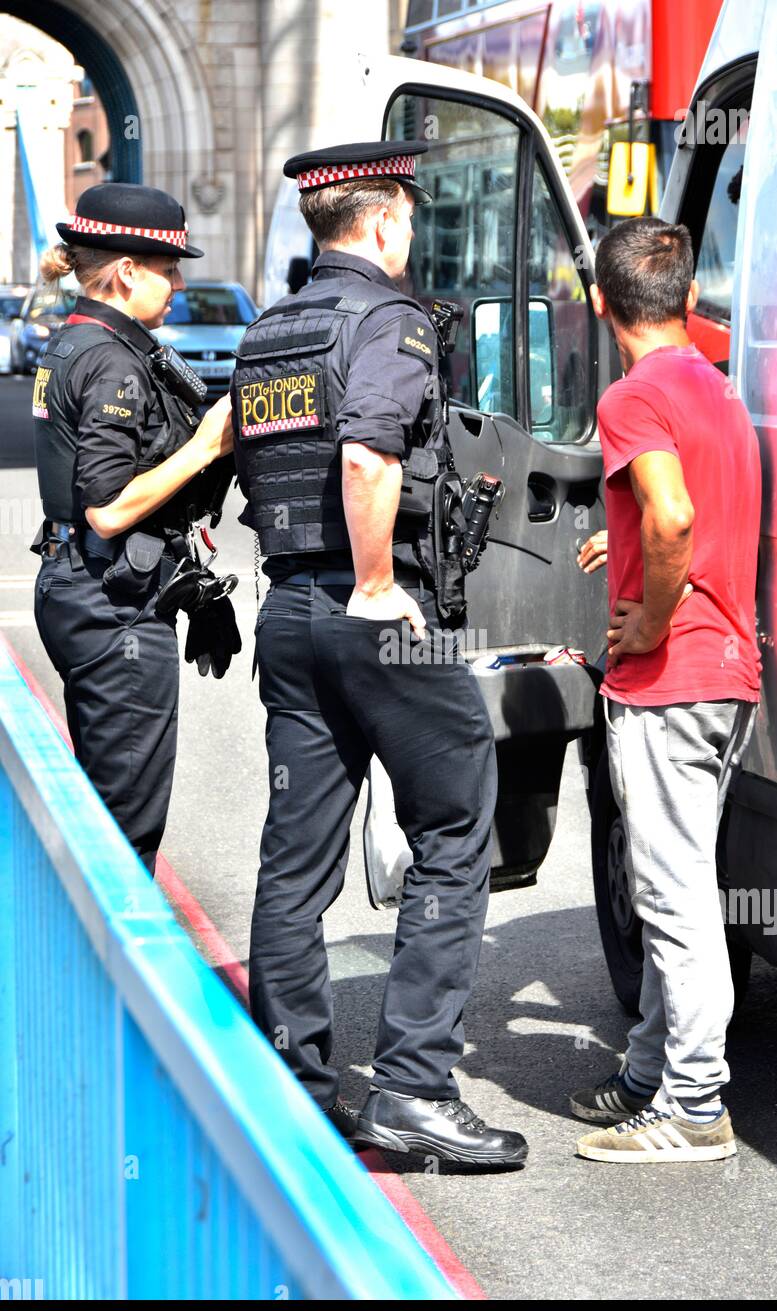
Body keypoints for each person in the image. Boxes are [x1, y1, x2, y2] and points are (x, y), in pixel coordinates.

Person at [232, 141, 527, 1165]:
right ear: (385, 222)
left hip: (287, 614)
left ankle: (288, 1086)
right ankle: (411, 1088)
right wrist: (372, 584)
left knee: (294, 858)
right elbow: (365, 449)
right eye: (408, 217)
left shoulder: (270, 329)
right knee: (452, 826)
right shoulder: (389, 317)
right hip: (370, 619)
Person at [570, 216, 761, 1162]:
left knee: (674, 896)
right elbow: (693, 512)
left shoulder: (633, 397)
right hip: (726, 670)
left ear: (602, 305)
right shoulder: (715, 386)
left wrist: (644, 621)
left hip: (672, 673)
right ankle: (652, 1070)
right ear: (688, 300)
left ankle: (693, 1107)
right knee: (676, 882)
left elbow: (676, 513)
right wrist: (636, 546)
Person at [32, 183, 238, 876]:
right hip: (111, 603)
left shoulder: (78, 341)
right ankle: (116, 976)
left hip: (83, 586)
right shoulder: (113, 359)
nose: (177, 285)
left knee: (106, 806)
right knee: (126, 828)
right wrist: (207, 446)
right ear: (126, 271)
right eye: (167, 268)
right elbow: (108, 506)